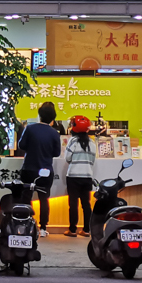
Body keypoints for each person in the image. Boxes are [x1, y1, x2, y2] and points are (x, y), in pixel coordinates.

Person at [17, 101, 60, 237]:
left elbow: (21, 145)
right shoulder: (54, 133)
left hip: (29, 168)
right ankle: (42, 228)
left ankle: (24, 224)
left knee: (26, 197)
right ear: (53, 118)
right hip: (46, 171)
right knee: (44, 199)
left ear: (39, 115)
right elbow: (57, 153)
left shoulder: (30, 128)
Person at [64, 115, 96, 238]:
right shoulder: (92, 143)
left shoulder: (72, 141)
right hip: (87, 176)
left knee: (73, 204)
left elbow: (67, 158)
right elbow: (92, 161)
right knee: (86, 204)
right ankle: (87, 230)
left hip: (73, 176)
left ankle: (72, 230)